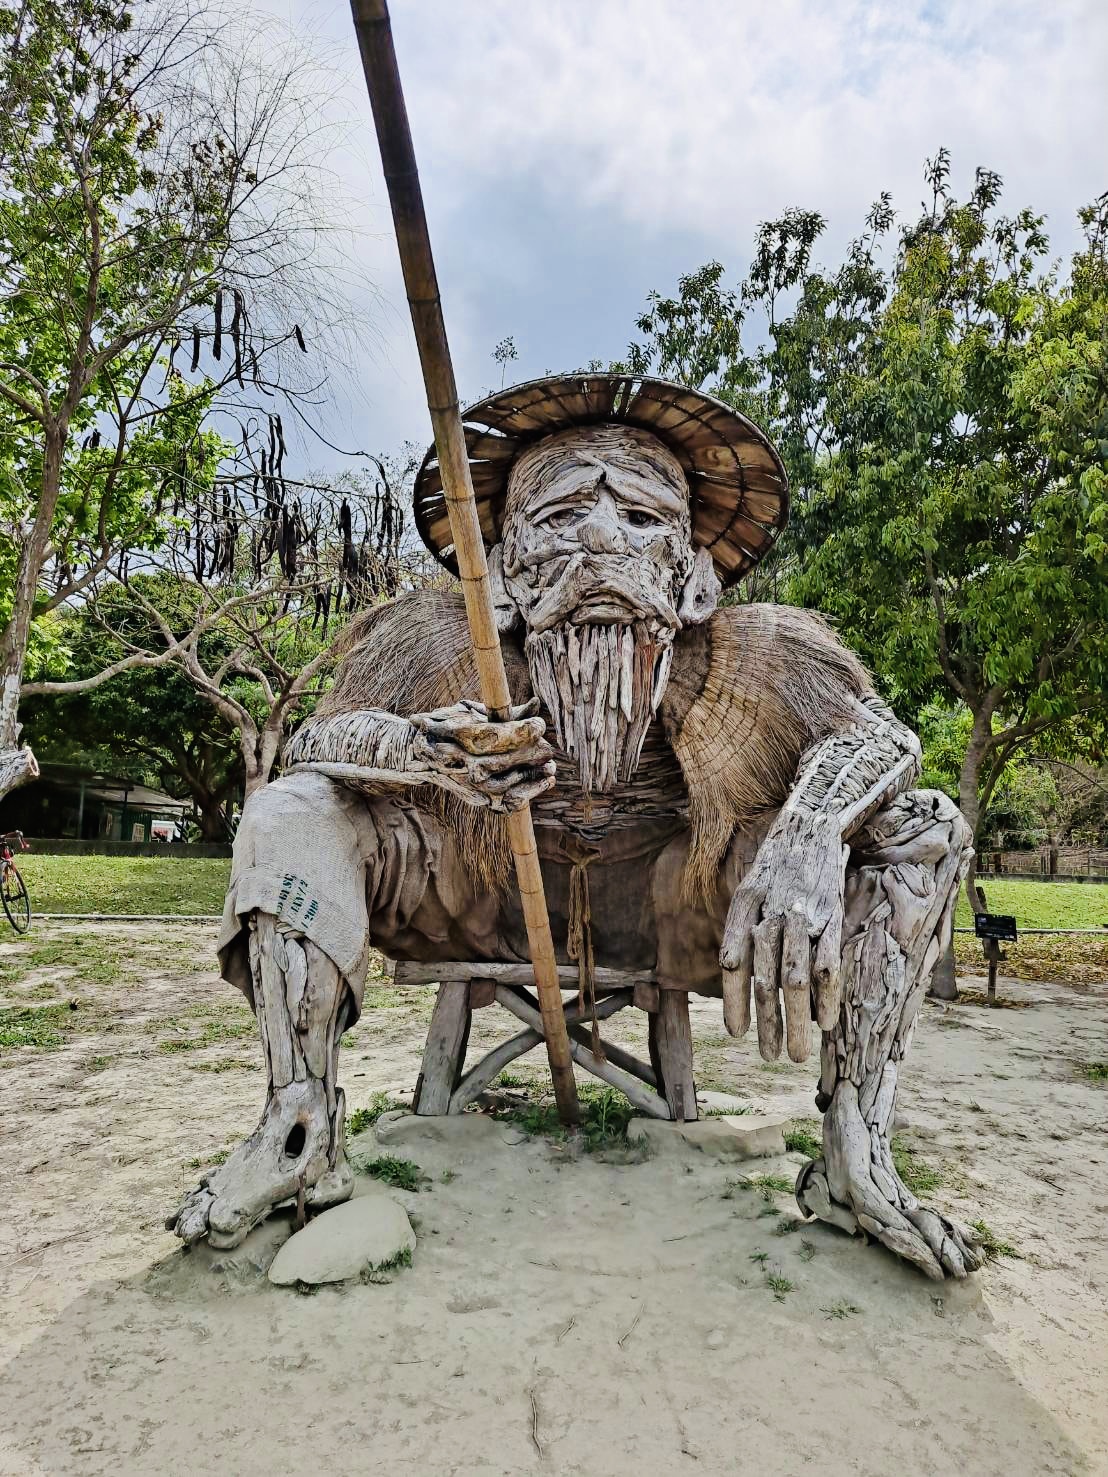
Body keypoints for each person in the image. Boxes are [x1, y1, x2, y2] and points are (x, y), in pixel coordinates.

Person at [170, 374, 980, 1280]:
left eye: (640, 520)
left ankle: (855, 1154)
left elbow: (886, 739)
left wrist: (811, 828)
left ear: (696, 579)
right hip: (480, 894)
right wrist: (422, 748)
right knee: (290, 811)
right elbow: (313, 742)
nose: (600, 541)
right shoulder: (438, 642)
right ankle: (298, 1123)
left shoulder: (766, 659)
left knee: (924, 828)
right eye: (559, 519)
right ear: (508, 573)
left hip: (678, 906)